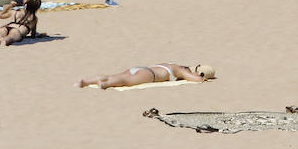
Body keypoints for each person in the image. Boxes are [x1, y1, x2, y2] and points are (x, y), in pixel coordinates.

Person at [77, 62, 215, 88]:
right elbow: (195, 79)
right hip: (150, 75)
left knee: (115, 76)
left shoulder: (171, 64)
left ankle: (87, 81)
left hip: (141, 68)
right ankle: (105, 84)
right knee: (124, 81)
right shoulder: (181, 70)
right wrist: (201, 77)